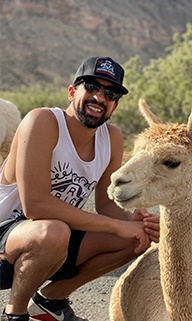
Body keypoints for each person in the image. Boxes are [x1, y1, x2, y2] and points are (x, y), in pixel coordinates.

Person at [0, 56, 160, 321]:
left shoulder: (112, 138)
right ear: (73, 91)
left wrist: (136, 220)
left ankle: (51, 302)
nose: (100, 97)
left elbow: (107, 204)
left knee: (136, 237)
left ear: (115, 106)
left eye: (110, 93)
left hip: (52, 241)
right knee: (53, 231)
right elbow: (36, 206)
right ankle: (14, 315)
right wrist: (116, 225)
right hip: (8, 240)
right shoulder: (43, 121)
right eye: (92, 87)